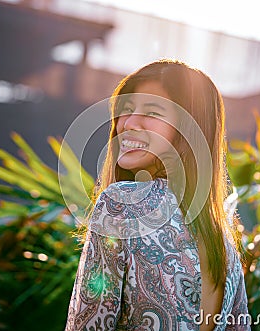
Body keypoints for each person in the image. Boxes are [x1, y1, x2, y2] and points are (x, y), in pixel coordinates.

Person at [64, 59, 250, 330]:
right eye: (126, 109)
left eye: (152, 113)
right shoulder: (226, 246)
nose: (127, 123)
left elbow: (88, 325)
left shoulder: (121, 205)